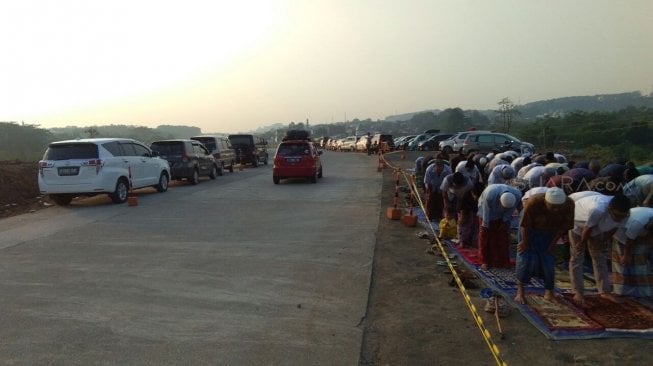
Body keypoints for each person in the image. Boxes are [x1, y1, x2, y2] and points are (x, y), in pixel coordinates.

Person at [568, 193, 631, 305]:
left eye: (622, 216)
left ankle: (604, 291)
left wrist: (603, 241)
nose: (619, 218)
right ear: (609, 209)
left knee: (599, 257)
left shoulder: (626, 214)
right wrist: (582, 244)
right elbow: (587, 228)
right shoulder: (598, 209)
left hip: (597, 228)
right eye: (616, 215)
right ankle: (578, 292)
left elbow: (615, 227)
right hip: (579, 223)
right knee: (577, 257)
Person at [515, 188, 575, 304]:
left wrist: (553, 244)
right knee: (525, 257)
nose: (556, 210)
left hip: (551, 230)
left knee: (548, 259)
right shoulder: (533, 202)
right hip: (530, 229)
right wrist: (525, 242)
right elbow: (524, 225)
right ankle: (520, 291)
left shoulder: (569, 204)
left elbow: (563, 227)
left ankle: (549, 292)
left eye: (559, 207)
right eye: (552, 207)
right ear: (545, 202)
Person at [477, 184, 522, 270]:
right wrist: (485, 226)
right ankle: (485, 261)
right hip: (486, 211)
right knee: (485, 237)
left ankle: (503, 261)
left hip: (502, 215)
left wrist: (504, 222)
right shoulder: (490, 194)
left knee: (502, 237)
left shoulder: (517, 195)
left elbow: (510, 212)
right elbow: (486, 214)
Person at [612, 207, 653, 297]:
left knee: (640, 263)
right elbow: (629, 241)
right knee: (623, 262)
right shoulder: (638, 222)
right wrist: (626, 255)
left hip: (641, 233)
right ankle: (622, 291)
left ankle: (644, 292)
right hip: (622, 232)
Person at [423, 159, 452, 223]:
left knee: (441, 202)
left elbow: (449, 184)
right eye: (437, 169)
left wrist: (445, 194)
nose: (438, 170)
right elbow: (427, 182)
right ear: (434, 166)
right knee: (430, 200)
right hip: (432, 185)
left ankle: (440, 216)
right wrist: (429, 193)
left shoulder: (448, 171)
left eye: (440, 169)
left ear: (443, 166)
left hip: (443, 187)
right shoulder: (429, 170)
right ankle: (428, 216)